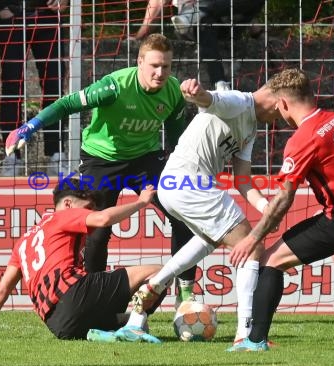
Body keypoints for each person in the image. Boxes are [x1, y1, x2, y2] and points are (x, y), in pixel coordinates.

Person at [5, 33, 197, 304]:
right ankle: (94, 297)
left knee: (183, 214)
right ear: (140, 62)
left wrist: (184, 167)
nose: (160, 72)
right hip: (101, 160)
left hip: (145, 159)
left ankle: (185, 295)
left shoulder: (174, 91)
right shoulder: (114, 87)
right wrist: (31, 126)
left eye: (166, 66)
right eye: (154, 65)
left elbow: (177, 138)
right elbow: (67, 103)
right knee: (97, 232)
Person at [227, 68, 334, 351]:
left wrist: (253, 237)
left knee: (270, 261)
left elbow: (284, 198)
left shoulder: (304, 138)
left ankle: (255, 341)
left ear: (284, 104)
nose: (280, 115)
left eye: (279, 109)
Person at [113, 77, 281, 347]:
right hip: (189, 183)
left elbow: (243, 180)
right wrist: (196, 92)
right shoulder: (238, 101)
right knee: (251, 247)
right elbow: (210, 100)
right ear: (275, 99)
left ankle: (147, 295)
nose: (281, 118)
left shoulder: (251, 129)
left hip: (176, 185)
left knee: (210, 239)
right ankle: (246, 335)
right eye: (281, 110)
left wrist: (265, 207)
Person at [0, 178, 165, 343]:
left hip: (60, 326)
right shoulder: (61, 216)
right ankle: (132, 326)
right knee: (161, 272)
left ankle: (110, 332)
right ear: (68, 204)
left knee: (135, 322)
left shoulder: (23, 242)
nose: (90, 213)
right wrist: (141, 202)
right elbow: (103, 219)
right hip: (74, 295)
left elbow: (1, 291)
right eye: (88, 208)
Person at [0, 0, 69, 176]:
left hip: (48, 16)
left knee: (54, 86)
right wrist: (1, 6)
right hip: (12, 15)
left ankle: (56, 153)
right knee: (12, 87)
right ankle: (12, 155)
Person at [132, 0, 263, 91]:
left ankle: (196, 12)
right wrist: (140, 35)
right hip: (197, 27)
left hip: (229, 23)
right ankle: (220, 83)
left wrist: (253, 25)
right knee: (205, 22)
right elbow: (157, 5)